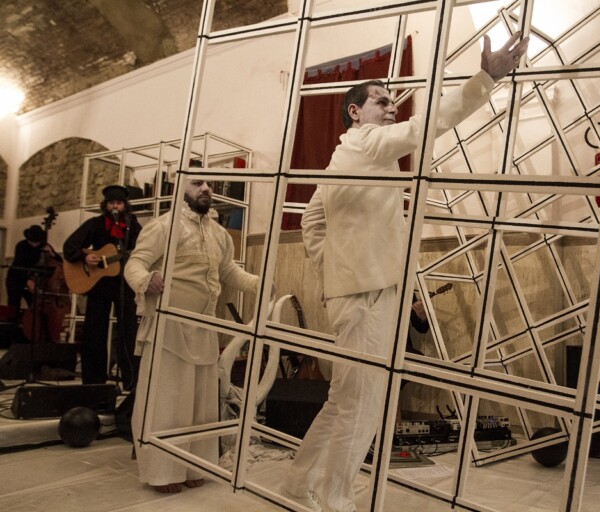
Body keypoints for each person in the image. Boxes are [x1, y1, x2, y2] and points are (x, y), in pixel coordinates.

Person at [282, 33, 529, 512]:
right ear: (354, 111)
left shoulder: (348, 158)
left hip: (368, 292)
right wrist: (487, 78)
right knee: (362, 405)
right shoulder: (368, 144)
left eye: (393, 101)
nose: (391, 107)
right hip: (365, 297)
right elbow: (426, 126)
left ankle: (297, 484)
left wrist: (337, 269)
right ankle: (336, 500)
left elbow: (313, 220)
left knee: (344, 400)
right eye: (380, 101)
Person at [124, 178, 263, 494]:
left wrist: (258, 282)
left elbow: (228, 271)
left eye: (208, 185)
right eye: (196, 183)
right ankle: (162, 471)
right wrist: (146, 280)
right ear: (179, 190)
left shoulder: (219, 233)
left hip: (204, 327)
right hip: (169, 329)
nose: (205, 189)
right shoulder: (163, 227)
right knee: (168, 402)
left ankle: (192, 465)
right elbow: (134, 263)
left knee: (200, 403)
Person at [63, 185, 142, 389]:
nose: (115, 206)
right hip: (99, 284)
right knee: (94, 332)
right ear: (105, 205)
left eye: (119, 203)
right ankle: (94, 383)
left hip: (125, 284)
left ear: (125, 205)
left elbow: (142, 249)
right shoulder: (95, 224)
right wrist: (85, 256)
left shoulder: (133, 225)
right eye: (111, 203)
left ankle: (131, 382)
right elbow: (69, 246)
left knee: (129, 332)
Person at [6, 225, 46, 320]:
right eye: (32, 241)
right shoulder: (21, 246)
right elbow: (20, 265)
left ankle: (30, 328)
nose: (34, 244)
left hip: (32, 279)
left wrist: (52, 253)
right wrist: (27, 280)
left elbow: (57, 260)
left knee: (33, 305)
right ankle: (10, 329)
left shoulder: (44, 246)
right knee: (13, 305)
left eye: (37, 242)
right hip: (15, 278)